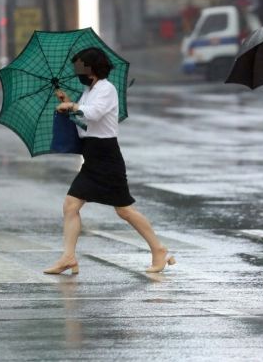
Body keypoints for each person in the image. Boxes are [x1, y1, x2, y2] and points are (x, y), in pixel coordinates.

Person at [44, 47, 175, 275]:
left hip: (106, 156)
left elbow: (93, 114)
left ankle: (159, 249)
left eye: (80, 68)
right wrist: (69, 102)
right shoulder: (89, 90)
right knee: (71, 205)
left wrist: (73, 107)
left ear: (92, 68)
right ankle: (68, 257)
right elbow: (84, 120)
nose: (78, 73)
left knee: (124, 210)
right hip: (92, 155)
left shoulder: (107, 89)